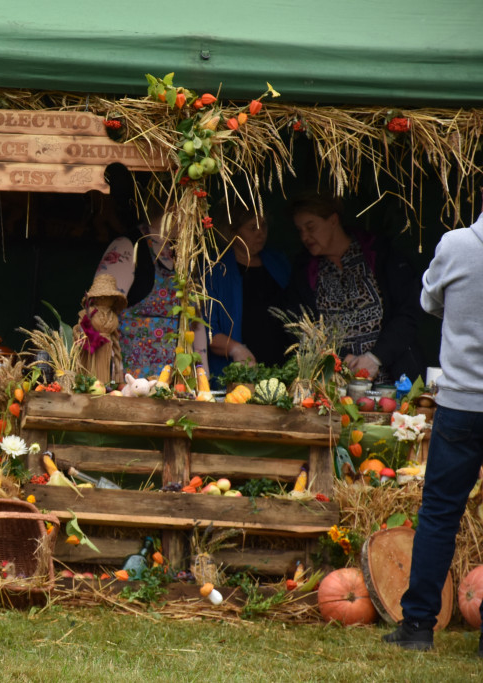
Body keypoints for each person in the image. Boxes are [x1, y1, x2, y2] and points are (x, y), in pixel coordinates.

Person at [384, 210, 483, 653]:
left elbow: (428, 303)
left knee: (441, 513)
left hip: (461, 402)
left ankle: (418, 625)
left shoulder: (457, 244)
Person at [287, 193, 424, 382]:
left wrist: (375, 357)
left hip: (394, 381)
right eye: (299, 230)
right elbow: (301, 326)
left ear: (333, 220)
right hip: (335, 384)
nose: (305, 236)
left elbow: (409, 312)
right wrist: (343, 358)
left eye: (310, 227)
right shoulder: (304, 271)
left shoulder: (380, 254)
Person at [94, 205, 208, 380]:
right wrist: (107, 376)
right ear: (173, 209)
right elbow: (99, 314)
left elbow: (196, 320)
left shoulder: (184, 253)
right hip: (131, 382)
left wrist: (203, 376)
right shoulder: (128, 246)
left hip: (176, 381)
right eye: (192, 212)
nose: (197, 220)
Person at [205, 200, 291, 378]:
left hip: (282, 367)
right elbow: (207, 329)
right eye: (252, 228)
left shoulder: (279, 263)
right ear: (233, 231)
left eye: (264, 226)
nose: (261, 233)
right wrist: (236, 349)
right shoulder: (215, 270)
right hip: (239, 372)